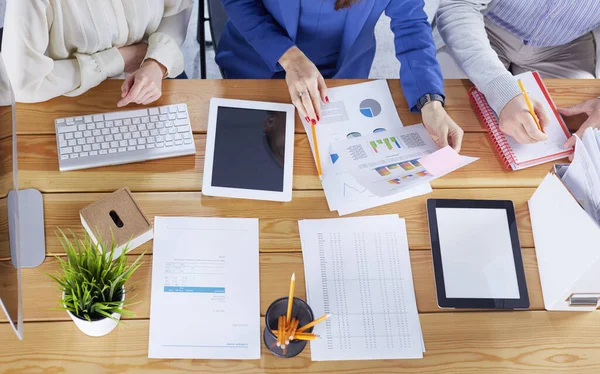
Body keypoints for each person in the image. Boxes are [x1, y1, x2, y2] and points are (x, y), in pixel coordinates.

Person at [217, 0, 464, 151]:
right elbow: (239, 1)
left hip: (341, 77)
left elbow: (411, 24)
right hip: (257, 62)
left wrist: (429, 101)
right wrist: (290, 58)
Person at [437, 0, 600, 149]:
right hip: (483, 27)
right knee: (449, 120)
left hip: (565, 48)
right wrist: (502, 90)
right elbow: (459, 4)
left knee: (571, 137)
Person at [3, 0, 192, 106]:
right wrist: (121, 59)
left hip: (155, 80)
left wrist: (156, 63)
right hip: (70, 98)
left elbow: (176, 10)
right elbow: (23, 84)